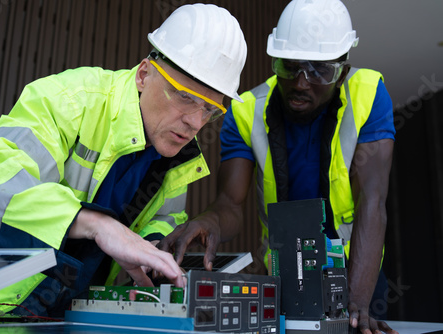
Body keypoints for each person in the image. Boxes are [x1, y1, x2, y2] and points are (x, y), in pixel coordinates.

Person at [0, 3, 247, 318]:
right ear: (144, 74)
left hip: (69, 313)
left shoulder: (175, 152)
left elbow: (163, 217)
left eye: (209, 109)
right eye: (184, 96)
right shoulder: (70, 100)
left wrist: (153, 252)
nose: (195, 122)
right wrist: (96, 225)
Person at [158, 0, 398, 333]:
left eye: (319, 71)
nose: (301, 82)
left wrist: (355, 306)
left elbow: (373, 200)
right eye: (290, 66)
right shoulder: (246, 112)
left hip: (359, 277)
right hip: (287, 279)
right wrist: (209, 220)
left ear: (343, 70)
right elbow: (229, 204)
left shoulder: (369, 94)